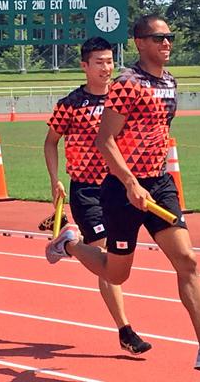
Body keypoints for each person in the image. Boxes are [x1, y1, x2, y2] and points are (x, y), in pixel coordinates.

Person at [45, 15, 200, 372]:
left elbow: (158, 132)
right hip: (122, 190)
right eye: (159, 38)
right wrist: (129, 181)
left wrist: (151, 177)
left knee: (188, 261)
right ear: (140, 43)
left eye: (170, 36)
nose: (167, 43)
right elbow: (105, 141)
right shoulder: (127, 84)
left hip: (159, 184)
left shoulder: (169, 82)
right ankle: (69, 243)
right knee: (117, 274)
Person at [44, 36, 151, 355]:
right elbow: (51, 142)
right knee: (106, 255)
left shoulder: (122, 100)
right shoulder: (70, 104)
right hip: (86, 190)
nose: (106, 68)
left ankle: (67, 244)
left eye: (109, 61)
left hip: (118, 187)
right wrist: (55, 180)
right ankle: (125, 329)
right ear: (84, 66)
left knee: (118, 261)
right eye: (99, 62)